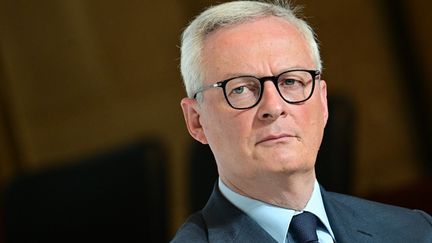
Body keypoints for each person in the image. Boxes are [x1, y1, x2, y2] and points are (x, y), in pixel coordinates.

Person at [171, 1, 432, 242]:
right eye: (240, 88)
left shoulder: (416, 231)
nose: (273, 107)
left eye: (291, 81)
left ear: (322, 101)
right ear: (196, 121)